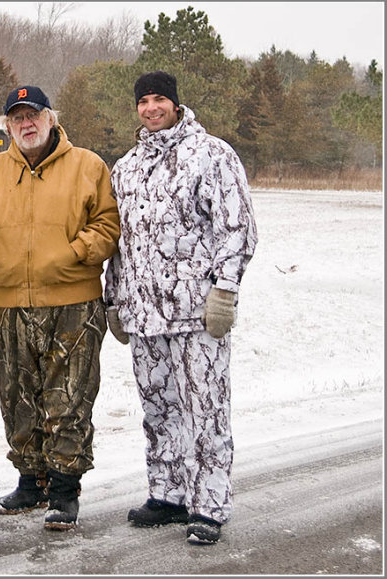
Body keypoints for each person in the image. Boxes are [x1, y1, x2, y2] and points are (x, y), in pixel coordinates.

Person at [0, 86, 120, 531]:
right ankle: (31, 481)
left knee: (69, 399)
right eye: (17, 118)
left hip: (73, 305)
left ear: (51, 118)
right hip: (8, 305)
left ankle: (64, 490)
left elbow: (108, 224)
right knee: (18, 397)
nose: (26, 124)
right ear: (7, 126)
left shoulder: (88, 165)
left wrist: (75, 253)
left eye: (34, 115)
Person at [104, 71, 258, 544]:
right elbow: (120, 243)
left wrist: (225, 290)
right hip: (145, 314)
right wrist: (115, 299)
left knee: (205, 409)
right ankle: (168, 494)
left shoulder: (212, 155)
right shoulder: (126, 167)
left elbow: (238, 228)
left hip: (197, 313)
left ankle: (209, 505)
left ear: (175, 103)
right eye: (144, 101)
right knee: (159, 410)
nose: (151, 108)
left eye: (160, 100)